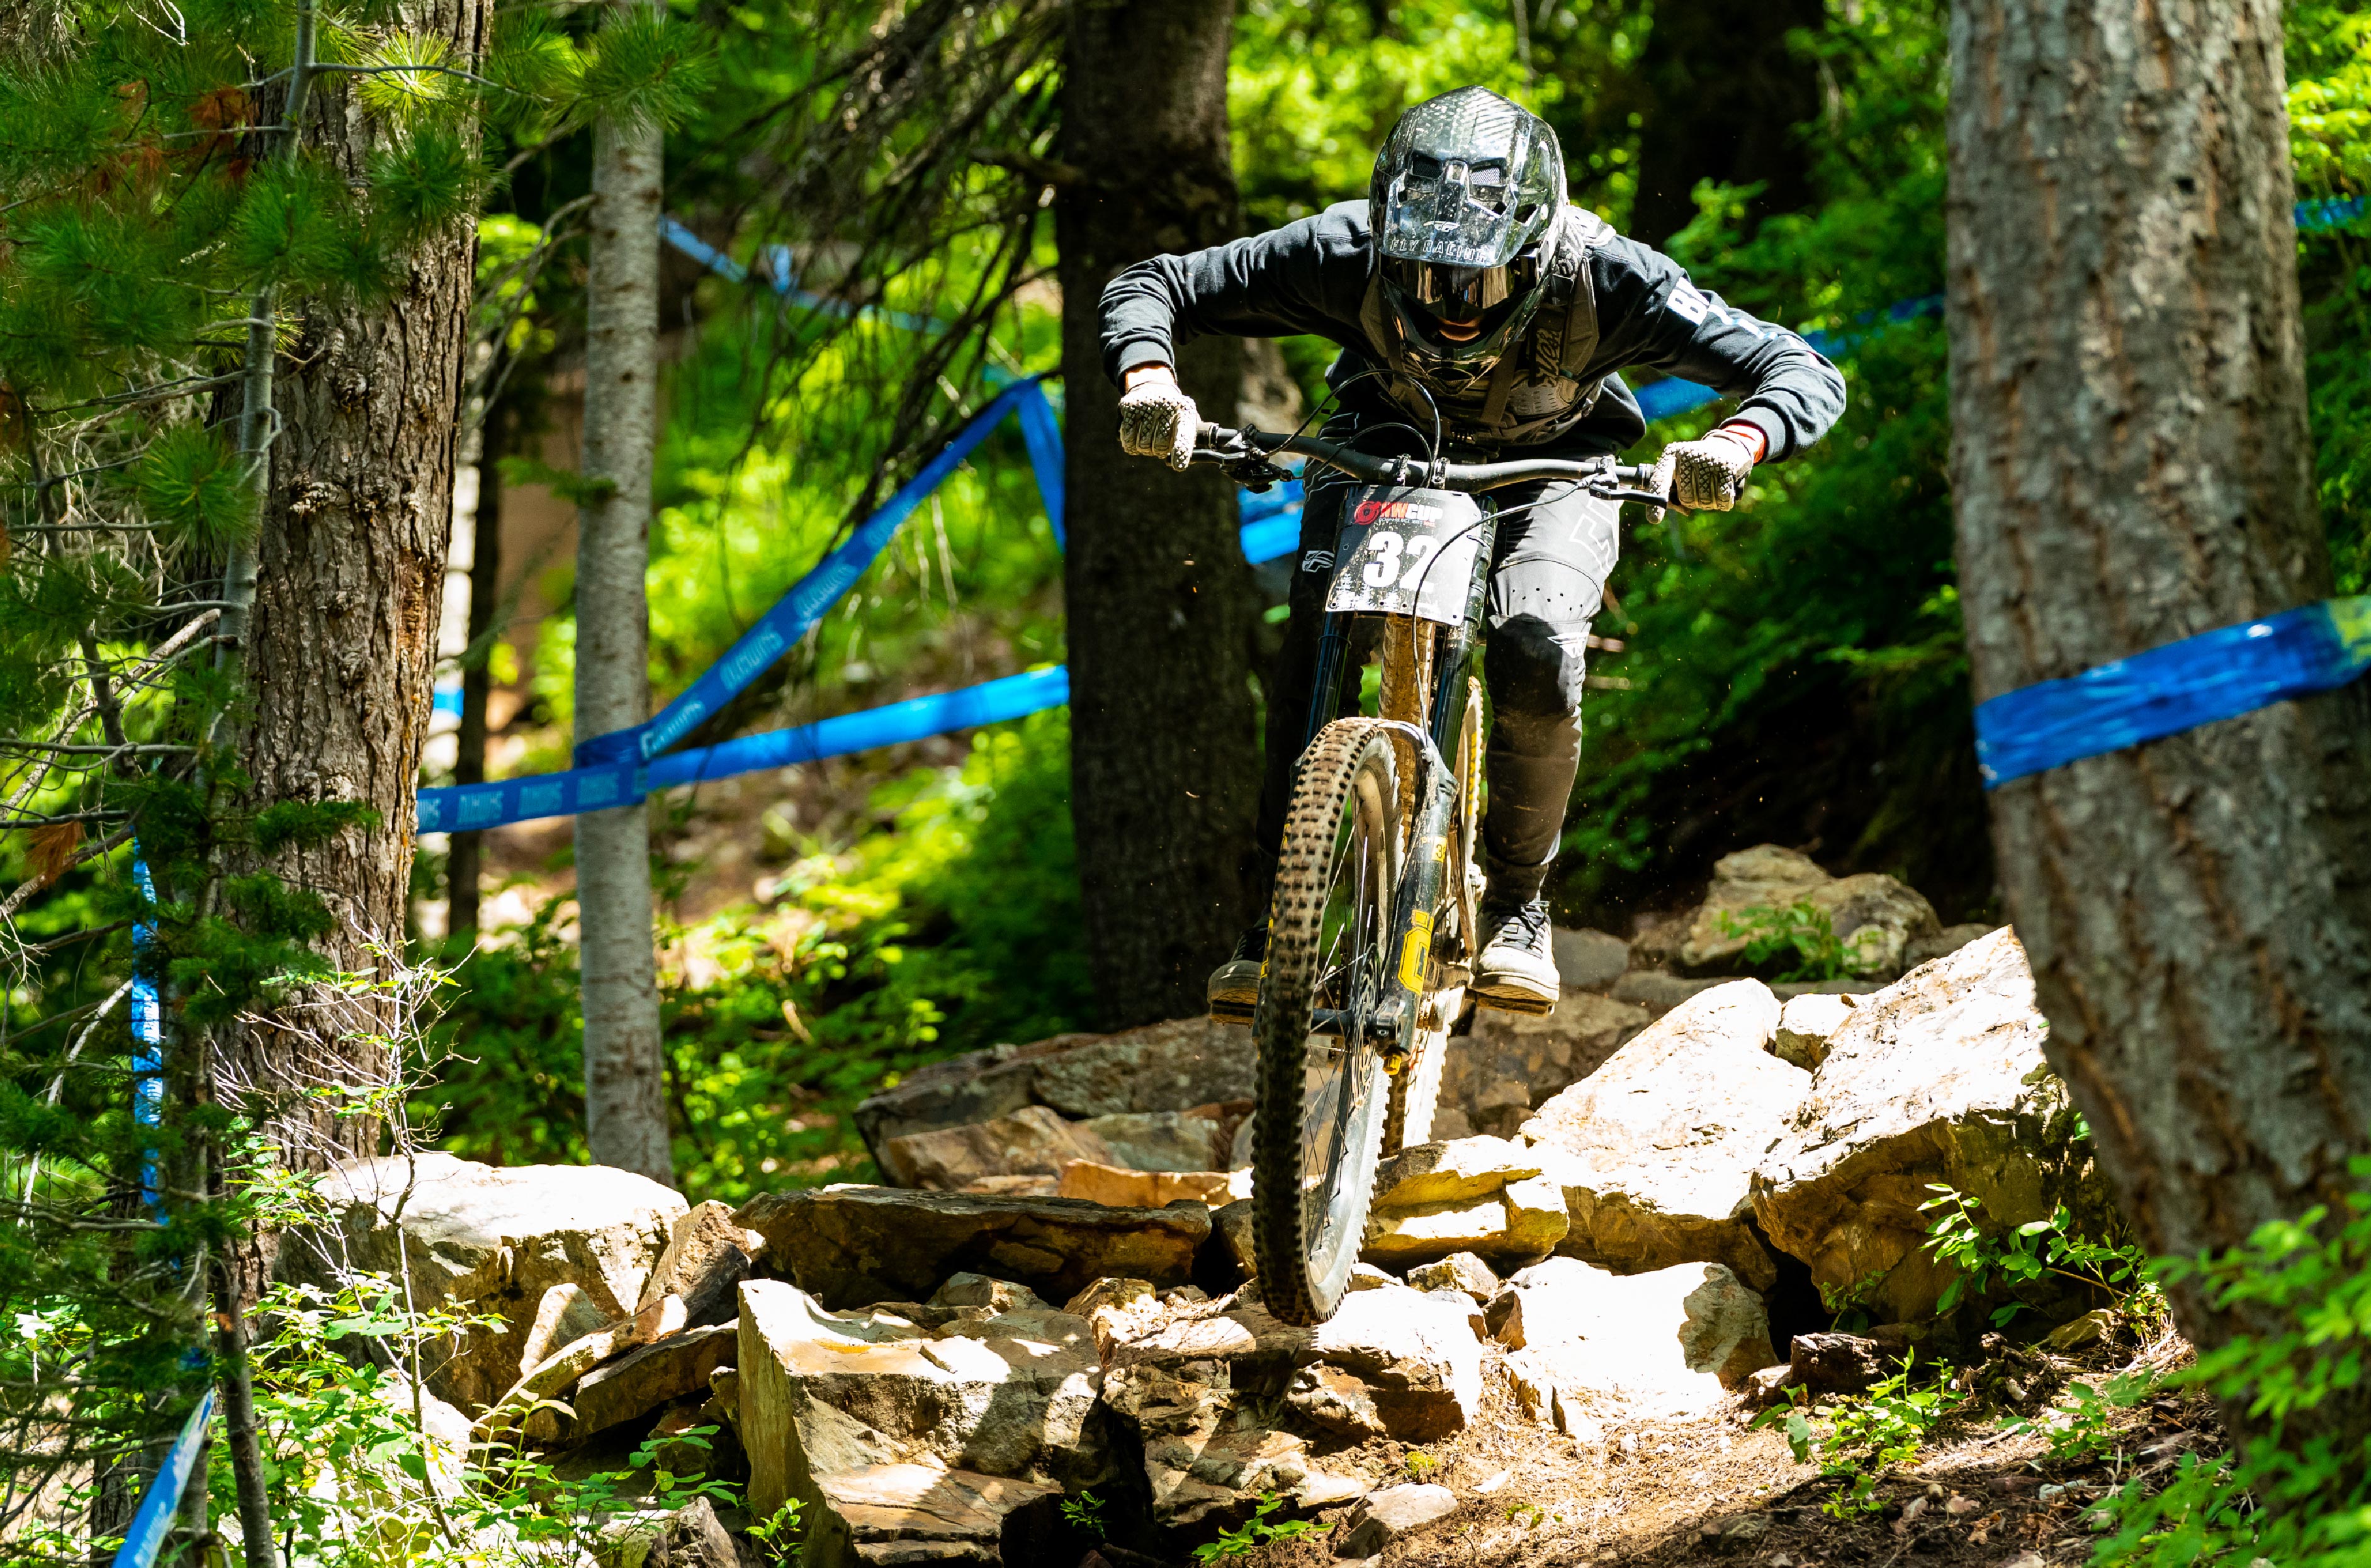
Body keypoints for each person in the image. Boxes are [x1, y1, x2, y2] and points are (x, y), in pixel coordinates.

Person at [1100, 86, 1845, 1016]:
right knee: (1313, 653)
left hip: (1558, 467)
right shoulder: (1338, 252)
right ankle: (1277, 920)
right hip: (1378, 447)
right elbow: (1153, 283)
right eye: (1420, 276)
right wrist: (1151, 383)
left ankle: (1521, 906)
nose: (1452, 307)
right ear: (1385, 243)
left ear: (1535, 251)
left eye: (1483, 281)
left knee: (1536, 651)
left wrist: (1731, 448)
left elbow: (1798, 366)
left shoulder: (1610, 275)